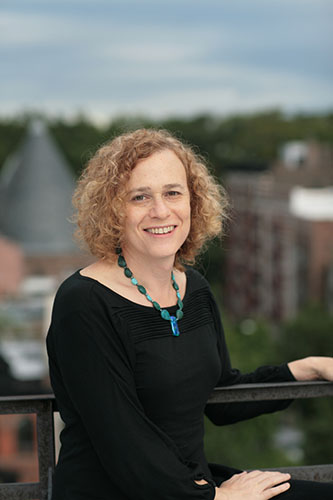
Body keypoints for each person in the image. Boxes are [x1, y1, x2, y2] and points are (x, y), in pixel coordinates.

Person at [46, 128, 333, 500]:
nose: (161, 210)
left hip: (190, 486)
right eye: (140, 197)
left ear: (193, 201)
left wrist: (306, 368)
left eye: (172, 192)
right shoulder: (83, 303)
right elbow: (122, 440)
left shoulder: (192, 288)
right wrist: (219, 498)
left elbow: (220, 394)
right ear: (112, 208)